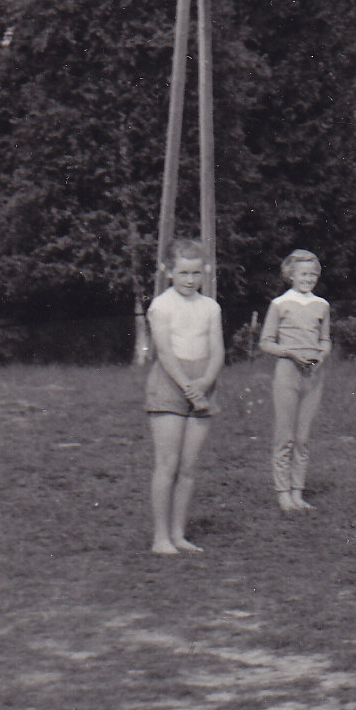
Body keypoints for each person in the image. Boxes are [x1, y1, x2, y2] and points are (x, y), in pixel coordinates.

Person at [144, 238, 224, 555]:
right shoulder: (161, 306)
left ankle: (178, 534)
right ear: (169, 272)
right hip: (170, 382)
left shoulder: (210, 307)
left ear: (205, 272)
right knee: (168, 463)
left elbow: (218, 351)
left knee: (189, 467)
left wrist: (205, 381)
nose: (190, 280)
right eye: (183, 273)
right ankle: (160, 537)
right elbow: (164, 352)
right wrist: (188, 386)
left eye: (196, 273)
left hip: (203, 382)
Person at [258, 249, 332, 513]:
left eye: (313, 274)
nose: (308, 279)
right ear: (290, 275)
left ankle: (298, 492)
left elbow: (325, 339)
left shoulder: (322, 305)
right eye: (303, 274)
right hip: (288, 371)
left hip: (313, 374)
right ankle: (283, 493)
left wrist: (322, 355)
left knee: (302, 437)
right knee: (285, 435)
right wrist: (290, 353)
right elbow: (266, 342)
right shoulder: (280, 304)